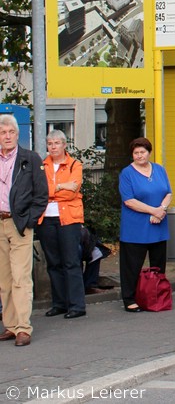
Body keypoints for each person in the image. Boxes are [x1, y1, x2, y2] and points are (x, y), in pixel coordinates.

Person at [0, 113, 47, 346]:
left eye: (11, 132)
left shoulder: (29, 158)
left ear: (17, 135)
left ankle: (23, 328)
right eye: (2, 133)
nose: (7, 136)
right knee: (4, 280)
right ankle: (10, 325)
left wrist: (29, 220)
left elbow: (42, 195)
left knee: (20, 278)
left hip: (19, 225)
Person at [119, 137, 172, 312]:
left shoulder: (159, 170)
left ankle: (157, 294)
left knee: (158, 264)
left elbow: (168, 193)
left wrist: (162, 209)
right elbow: (129, 201)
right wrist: (153, 211)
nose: (139, 156)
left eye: (142, 152)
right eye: (136, 153)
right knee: (132, 266)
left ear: (149, 153)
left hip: (158, 224)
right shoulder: (127, 173)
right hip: (136, 228)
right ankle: (129, 299)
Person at [38, 130, 87, 319]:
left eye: (57, 143)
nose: (53, 147)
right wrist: (60, 186)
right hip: (46, 219)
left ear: (65, 145)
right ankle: (59, 303)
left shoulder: (75, 164)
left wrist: (55, 189)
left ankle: (76, 305)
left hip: (69, 219)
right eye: (50, 143)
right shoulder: (42, 166)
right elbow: (40, 191)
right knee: (53, 262)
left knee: (71, 261)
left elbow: (72, 192)